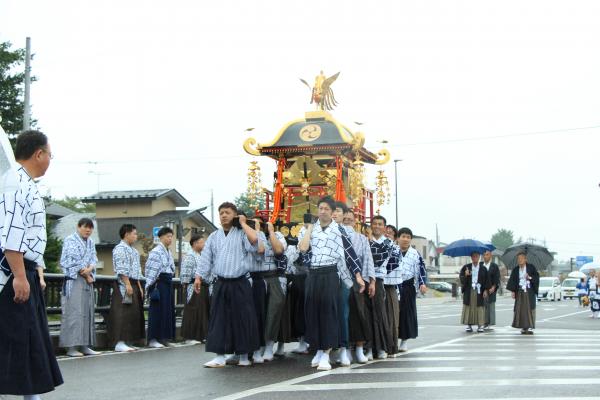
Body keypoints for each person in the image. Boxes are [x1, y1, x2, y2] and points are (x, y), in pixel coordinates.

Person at [0, 130, 63, 398]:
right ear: (39, 154)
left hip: (24, 268)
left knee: (27, 343)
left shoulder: (21, 182)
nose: (50, 160)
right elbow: (10, 231)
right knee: (18, 342)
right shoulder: (15, 182)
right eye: (50, 154)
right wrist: (19, 275)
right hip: (12, 272)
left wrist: (35, 270)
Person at [297, 196, 364, 371]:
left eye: (327, 208)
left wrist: (357, 276)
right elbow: (303, 249)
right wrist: (310, 228)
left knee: (328, 312)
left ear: (333, 212)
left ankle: (326, 353)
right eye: (320, 208)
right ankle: (318, 349)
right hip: (313, 273)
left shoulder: (339, 230)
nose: (323, 211)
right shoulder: (309, 230)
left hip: (331, 273)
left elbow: (350, 254)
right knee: (312, 312)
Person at [194, 202, 260, 368]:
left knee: (243, 318)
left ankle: (244, 355)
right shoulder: (214, 236)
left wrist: (244, 223)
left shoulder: (242, 233)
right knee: (219, 319)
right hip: (221, 282)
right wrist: (198, 277)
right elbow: (206, 259)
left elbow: (256, 243)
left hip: (240, 281)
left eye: (228, 212)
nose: (224, 215)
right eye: (221, 213)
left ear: (235, 215)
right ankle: (220, 355)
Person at [59, 217, 100, 357]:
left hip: (87, 280)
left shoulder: (91, 242)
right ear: (78, 227)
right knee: (73, 313)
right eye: (85, 227)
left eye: (90, 228)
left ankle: (84, 345)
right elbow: (72, 260)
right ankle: (71, 347)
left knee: (87, 312)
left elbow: (94, 258)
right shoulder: (70, 240)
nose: (88, 230)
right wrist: (87, 273)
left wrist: (91, 268)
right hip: (74, 279)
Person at [332, 201, 365, 367]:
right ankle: (322, 350)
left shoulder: (347, 233)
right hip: (325, 277)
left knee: (345, 314)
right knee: (327, 314)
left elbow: (352, 257)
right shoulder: (320, 230)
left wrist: (360, 276)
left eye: (338, 211)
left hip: (346, 278)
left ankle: (345, 348)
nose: (335, 214)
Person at [250, 220, 287, 363]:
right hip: (256, 277)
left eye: (261, 223)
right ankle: (258, 345)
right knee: (258, 313)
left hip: (274, 277)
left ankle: (270, 346)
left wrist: (271, 232)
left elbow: (278, 250)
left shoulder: (277, 235)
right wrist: (257, 232)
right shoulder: (250, 236)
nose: (259, 225)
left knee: (273, 312)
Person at [386, 227, 427, 352]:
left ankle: (404, 340)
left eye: (408, 237)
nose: (405, 239)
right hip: (393, 284)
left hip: (408, 286)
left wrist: (422, 283)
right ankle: (392, 340)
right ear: (398, 238)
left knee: (406, 314)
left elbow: (421, 269)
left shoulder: (415, 254)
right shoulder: (392, 250)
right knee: (393, 313)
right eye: (403, 236)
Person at [107, 224, 145, 352]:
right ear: (127, 234)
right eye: (134, 233)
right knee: (123, 313)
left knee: (133, 314)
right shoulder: (119, 249)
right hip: (124, 283)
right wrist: (127, 284)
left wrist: (139, 286)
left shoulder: (134, 251)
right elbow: (121, 268)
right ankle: (119, 341)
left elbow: (138, 270)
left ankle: (129, 340)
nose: (136, 236)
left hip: (134, 282)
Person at [344, 209, 376, 364]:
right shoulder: (337, 237)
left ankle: (359, 347)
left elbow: (368, 259)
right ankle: (346, 348)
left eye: (350, 219)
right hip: (341, 280)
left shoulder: (362, 238)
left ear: (354, 221)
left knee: (359, 314)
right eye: (345, 219)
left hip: (358, 282)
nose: (348, 221)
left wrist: (371, 281)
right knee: (344, 315)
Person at [367, 215, 396, 360]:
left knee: (379, 313)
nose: (377, 226)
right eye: (374, 224)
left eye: (380, 224)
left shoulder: (389, 243)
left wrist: (370, 242)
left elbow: (378, 258)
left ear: (384, 227)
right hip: (365, 280)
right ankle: (369, 348)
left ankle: (382, 347)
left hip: (378, 280)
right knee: (366, 314)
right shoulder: (365, 240)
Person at [145, 226, 176, 348]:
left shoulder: (168, 251)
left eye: (171, 237)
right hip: (158, 283)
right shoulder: (156, 251)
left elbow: (172, 268)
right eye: (168, 236)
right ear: (161, 237)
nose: (170, 239)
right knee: (157, 311)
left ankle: (163, 337)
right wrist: (151, 285)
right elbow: (150, 270)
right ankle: (153, 339)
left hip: (167, 282)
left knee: (167, 311)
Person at [181, 234, 210, 344]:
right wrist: (185, 284)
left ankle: (200, 335)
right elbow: (186, 272)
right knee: (192, 310)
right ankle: (189, 337)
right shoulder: (190, 256)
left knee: (201, 312)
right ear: (195, 243)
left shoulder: (201, 255)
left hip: (203, 285)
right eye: (202, 242)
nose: (204, 244)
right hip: (192, 285)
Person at [506, 252, 540, 334]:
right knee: (521, 309)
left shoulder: (531, 267)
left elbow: (536, 278)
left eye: (521, 258)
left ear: (525, 259)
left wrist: (529, 277)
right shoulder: (515, 269)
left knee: (530, 308)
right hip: (520, 291)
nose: (520, 260)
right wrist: (513, 291)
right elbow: (512, 281)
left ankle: (531, 326)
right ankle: (524, 327)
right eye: (518, 258)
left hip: (529, 291)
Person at [459, 252, 490, 333]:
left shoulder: (483, 268)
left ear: (479, 257)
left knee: (479, 308)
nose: (475, 258)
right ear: (471, 257)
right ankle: (469, 325)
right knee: (469, 307)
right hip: (469, 290)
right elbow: (461, 279)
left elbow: (487, 281)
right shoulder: (466, 267)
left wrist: (486, 290)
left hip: (479, 291)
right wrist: (465, 275)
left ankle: (480, 325)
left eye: (476, 256)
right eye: (473, 256)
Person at [481, 250, 501, 330]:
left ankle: (489, 323)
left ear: (490, 256)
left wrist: (494, 287)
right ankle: (483, 322)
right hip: (482, 289)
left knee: (490, 306)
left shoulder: (494, 266)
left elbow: (497, 278)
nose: (485, 256)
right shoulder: (481, 265)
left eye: (487, 255)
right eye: (484, 255)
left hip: (491, 289)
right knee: (482, 307)